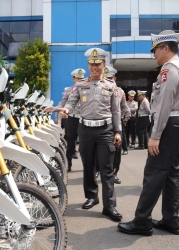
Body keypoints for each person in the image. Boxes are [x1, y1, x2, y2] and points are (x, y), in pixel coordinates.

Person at [118, 32, 179, 236]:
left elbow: (165, 104)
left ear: (165, 48)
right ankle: (171, 220)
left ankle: (142, 221)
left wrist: (156, 135)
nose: (154, 55)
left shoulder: (169, 69)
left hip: (170, 124)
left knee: (153, 173)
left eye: (155, 50)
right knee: (171, 175)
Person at [59, 48, 123, 221]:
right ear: (88, 65)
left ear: (103, 65)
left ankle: (109, 207)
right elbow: (71, 103)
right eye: (91, 64)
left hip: (105, 130)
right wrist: (65, 110)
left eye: (98, 64)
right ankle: (91, 196)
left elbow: (116, 111)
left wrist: (118, 132)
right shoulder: (80, 86)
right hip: (85, 130)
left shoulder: (111, 86)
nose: (94, 67)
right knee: (88, 166)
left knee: (106, 169)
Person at [95, 66, 130, 184]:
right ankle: (97, 170)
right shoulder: (99, 88)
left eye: (111, 77)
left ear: (115, 78)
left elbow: (124, 106)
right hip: (103, 124)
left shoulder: (120, 91)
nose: (109, 80)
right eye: (106, 77)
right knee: (98, 149)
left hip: (116, 124)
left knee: (116, 151)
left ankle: (114, 173)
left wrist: (126, 118)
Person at [47, 69, 86, 172]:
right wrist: (56, 110)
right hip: (72, 118)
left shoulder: (87, 89)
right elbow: (63, 103)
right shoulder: (69, 90)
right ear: (73, 79)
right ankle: (68, 164)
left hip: (84, 119)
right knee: (70, 142)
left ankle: (88, 166)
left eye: (82, 79)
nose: (80, 80)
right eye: (78, 79)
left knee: (85, 144)